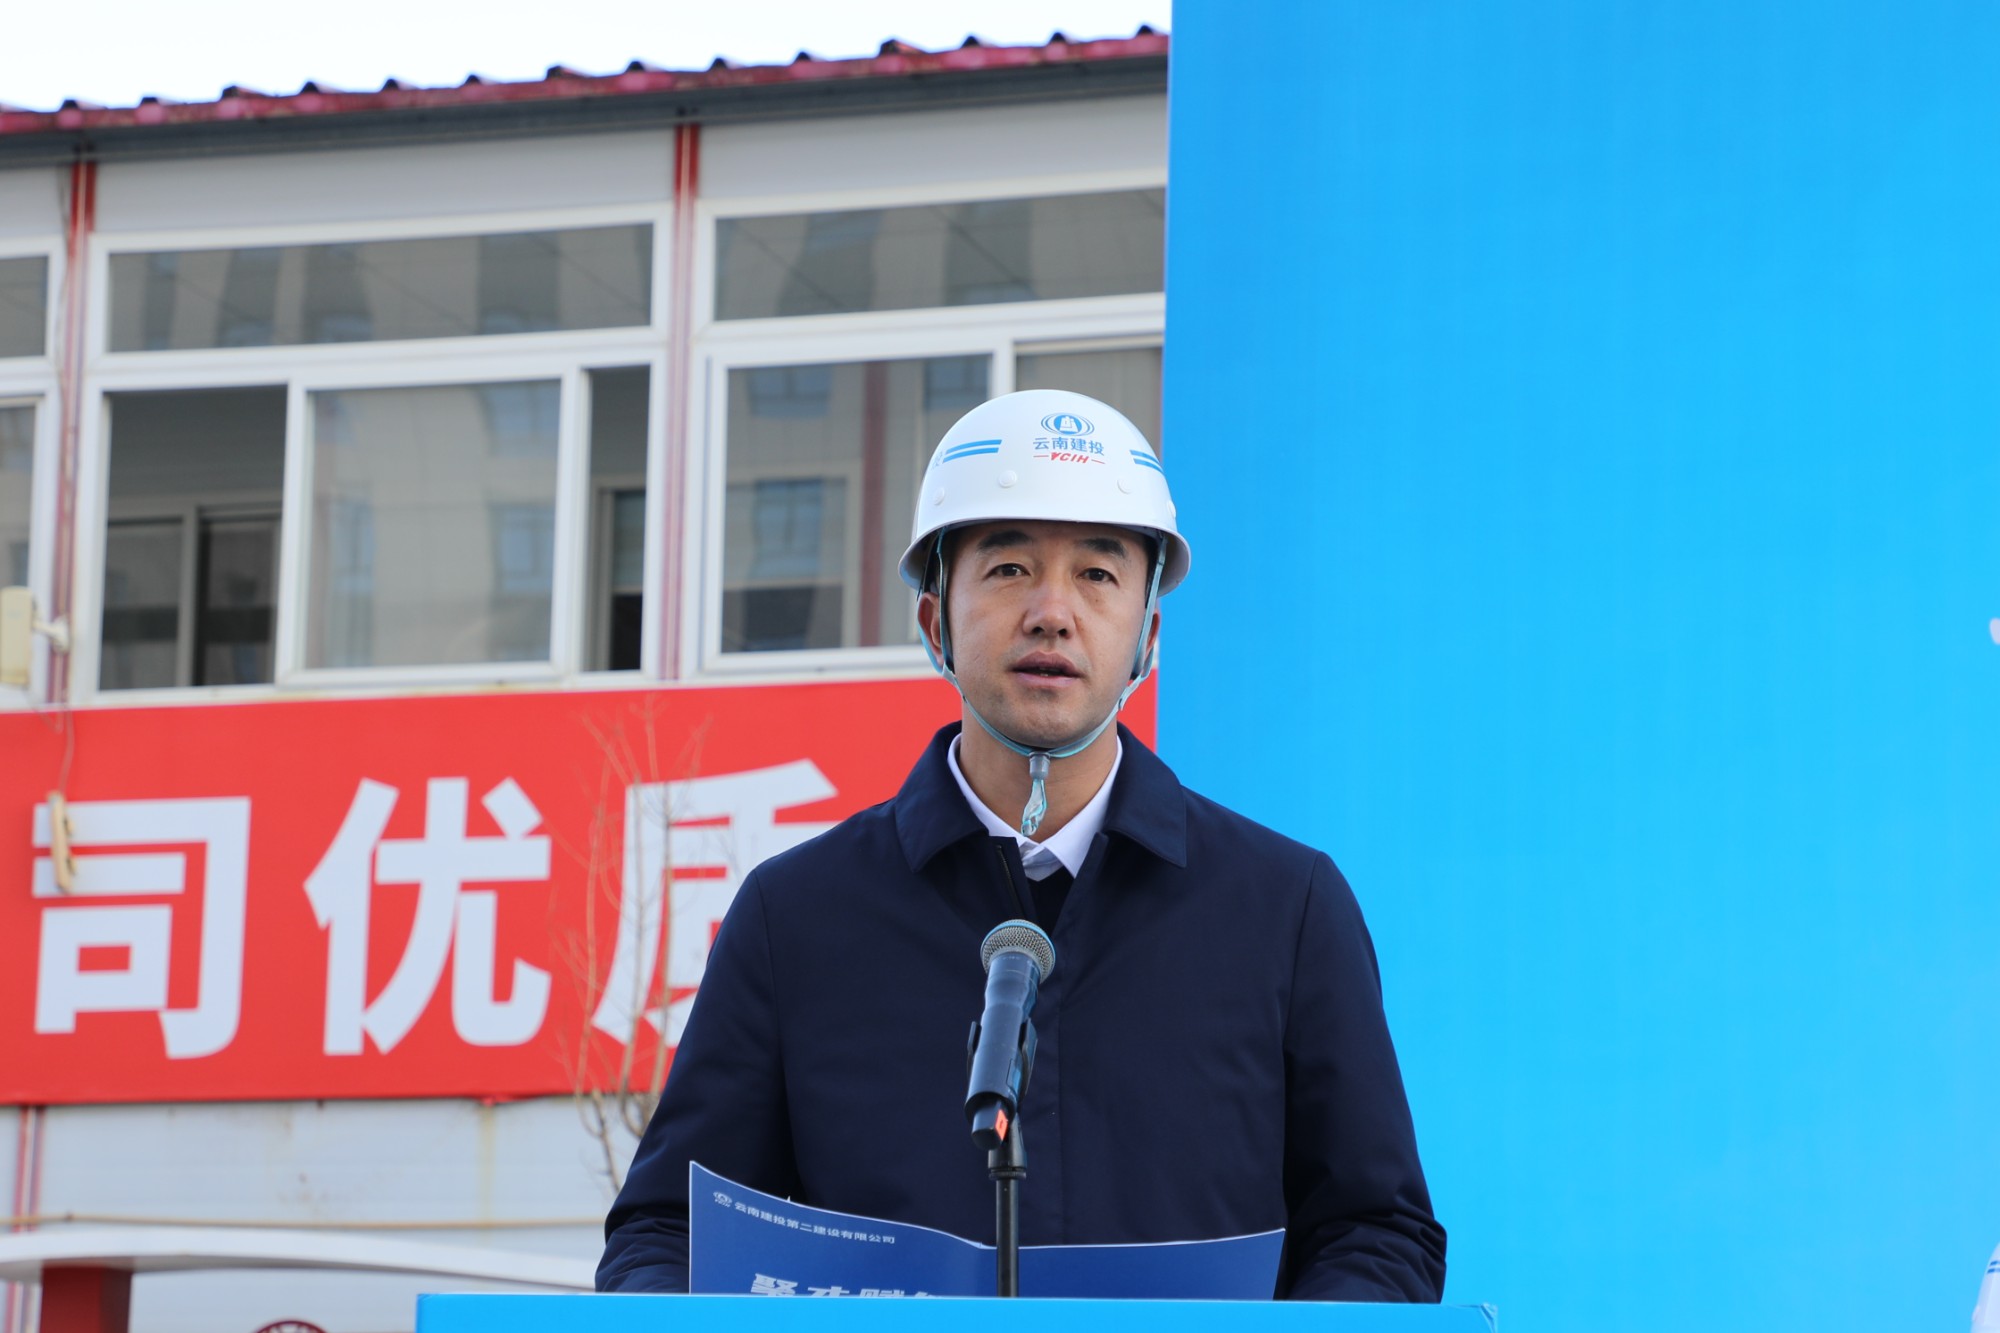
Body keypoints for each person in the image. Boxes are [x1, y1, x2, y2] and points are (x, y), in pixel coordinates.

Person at [598, 389, 1446, 1300]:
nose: (1052, 611)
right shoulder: (797, 916)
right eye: (1008, 568)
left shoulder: (1283, 908)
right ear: (935, 622)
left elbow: (1375, 1232)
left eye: (1098, 573)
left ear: (1148, 636)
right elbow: (668, 1232)